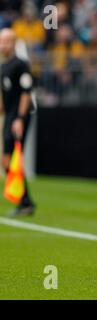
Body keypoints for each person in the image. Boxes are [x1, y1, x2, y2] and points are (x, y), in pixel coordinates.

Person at [0, 28, 35, 217]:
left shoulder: (21, 65)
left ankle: (25, 202)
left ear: (13, 43)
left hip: (19, 117)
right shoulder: (4, 66)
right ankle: (25, 201)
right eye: (0, 41)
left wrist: (20, 119)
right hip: (10, 117)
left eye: (5, 41)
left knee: (12, 158)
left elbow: (26, 93)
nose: (2, 45)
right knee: (7, 160)